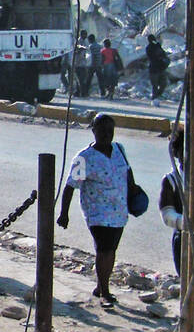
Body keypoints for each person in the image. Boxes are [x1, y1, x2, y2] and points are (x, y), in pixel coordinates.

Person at [58, 113, 137, 307]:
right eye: (102, 130)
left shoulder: (119, 149)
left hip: (119, 210)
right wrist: (64, 213)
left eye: (110, 130)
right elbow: (70, 186)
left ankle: (100, 284)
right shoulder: (84, 158)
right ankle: (105, 292)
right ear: (93, 131)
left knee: (110, 249)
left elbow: (127, 171)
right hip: (97, 212)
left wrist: (134, 191)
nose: (106, 134)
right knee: (105, 249)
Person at [158, 124, 186, 276]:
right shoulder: (172, 180)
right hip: (183, 237)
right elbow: (167, 215)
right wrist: (185, 223)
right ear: (176, 152)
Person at [146, 34, 170, 100]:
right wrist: (159, 56)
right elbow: (151, 57)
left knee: (163, 84)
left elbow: (163, 54)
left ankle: (157, 95)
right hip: (154, 69)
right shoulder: (149, 48)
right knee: (155, 85)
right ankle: (154, 97)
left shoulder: (158, 46)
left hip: (161, 68)